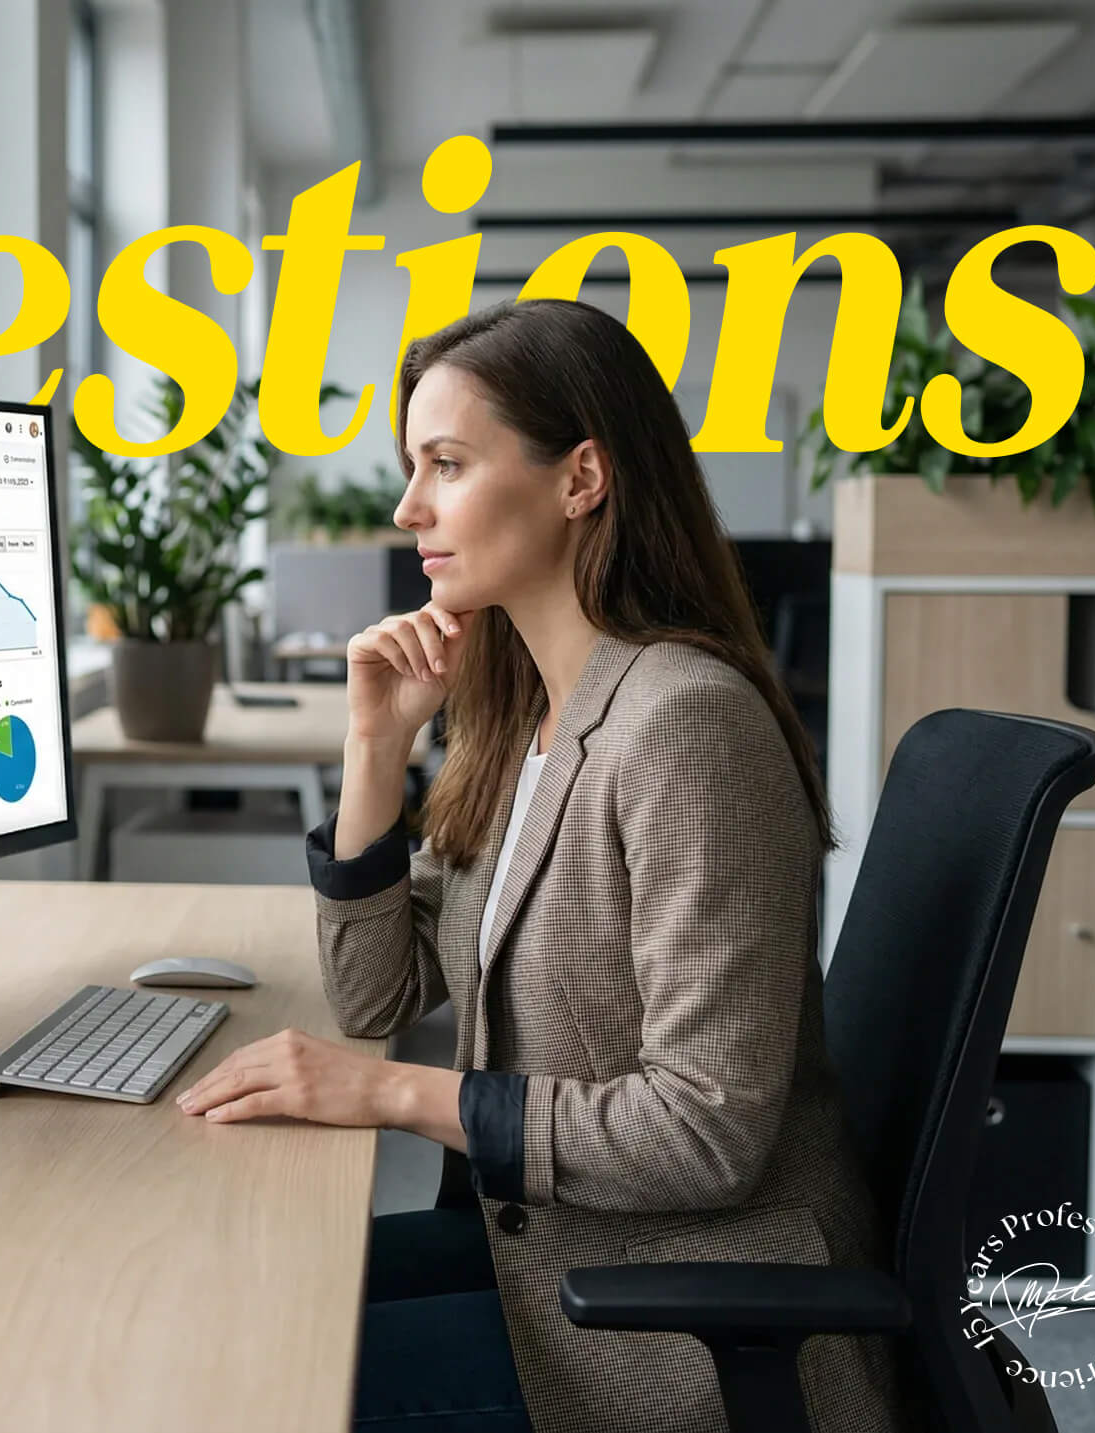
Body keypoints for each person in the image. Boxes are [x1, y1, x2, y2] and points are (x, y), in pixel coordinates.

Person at [174, 299, 914, 1433]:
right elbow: (374, 993)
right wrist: (377, 747)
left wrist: (391, 1094)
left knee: (251, 1390)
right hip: (554, 1252)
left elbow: (705, 1129)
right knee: (232, 1312)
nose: (406, 506)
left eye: (448, 464)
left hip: (674, 1312)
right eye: (412, 466)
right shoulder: (530, 709)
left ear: (581, 478)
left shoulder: (681, 724)